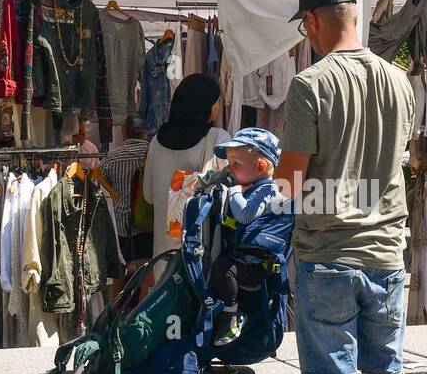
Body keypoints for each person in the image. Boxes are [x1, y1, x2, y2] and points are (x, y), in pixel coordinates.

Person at [277, 0, 422, 374]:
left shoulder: (310, 86)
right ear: (356, 14)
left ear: (311, 21)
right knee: (389, 373)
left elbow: (291, 185)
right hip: (387, 252)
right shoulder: (401, 82)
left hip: (329, 256)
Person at [208, 127, 292, 346]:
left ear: (261, 166)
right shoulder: (252, 186)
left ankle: (232, 315)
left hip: (255, 265)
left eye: (235, 164)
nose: (229, 169)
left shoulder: (269, 189)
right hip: (244, 257)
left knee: (222, 270)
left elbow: (245, 215)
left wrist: (234, 191)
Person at [140, 74, 229, 261]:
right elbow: (222, 199)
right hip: (200, 256)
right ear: (205, 104)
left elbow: (149, 196)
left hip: (162, 257)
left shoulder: (156, 141)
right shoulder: (217, 139)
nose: (219, 106)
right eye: (217, 100)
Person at [102, 115, 152, 285]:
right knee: (148, 269)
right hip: (146, 222)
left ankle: (115, 309)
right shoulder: (151, 153)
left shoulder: (111, 157)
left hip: (119, 223)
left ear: (124, 132)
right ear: (143, 132)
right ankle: (141, 307)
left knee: (120, 271)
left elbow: (101, 187)